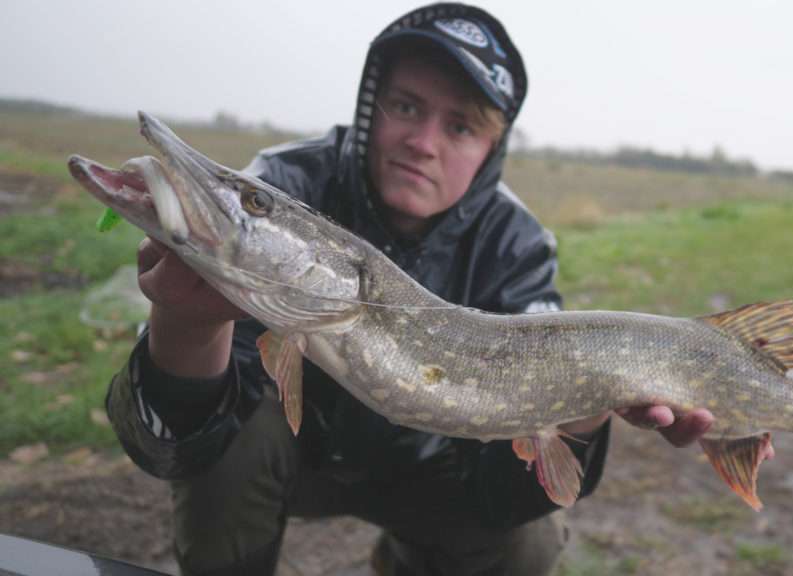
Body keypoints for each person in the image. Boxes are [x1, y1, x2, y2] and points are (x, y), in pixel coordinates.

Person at [106, 4, 714, 575]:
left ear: (491, 149)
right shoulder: (287, 181)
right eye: (404, 106)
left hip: (433, 470)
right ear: (373, 106)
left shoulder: (517, 244)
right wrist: (187, 326)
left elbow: (512, 493)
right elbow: (171, 450)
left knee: (530, 539)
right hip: (291, 457)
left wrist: (580, 410)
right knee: (230, 449)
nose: (423, 142)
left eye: (460, 126)